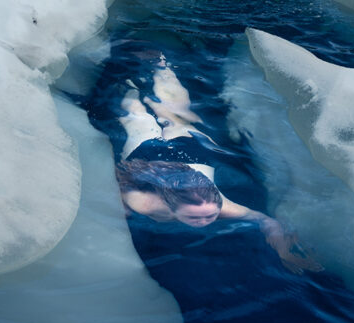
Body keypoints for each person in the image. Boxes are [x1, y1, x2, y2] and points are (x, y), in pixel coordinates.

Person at [114, 53, 321, 274]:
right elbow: (120, 177)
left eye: (210, 216)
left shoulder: (218, 204)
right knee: (137, 114)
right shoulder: (142, 202)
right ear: (172, 206)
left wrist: (283, 251)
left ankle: (161, 64)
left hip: (191, 151)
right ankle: (132, 80)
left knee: (175, 115)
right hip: (148, 151)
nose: (204, 221)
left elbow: (267, 222)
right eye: (196, 217)